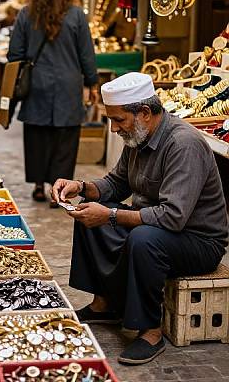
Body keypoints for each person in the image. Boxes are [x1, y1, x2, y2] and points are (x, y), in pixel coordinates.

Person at [52, 72, 228, 365]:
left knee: (142, 238)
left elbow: (172, 218)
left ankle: (150, 332)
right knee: (89, 208)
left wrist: (110, 215)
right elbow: (115, 183)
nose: (113, 129)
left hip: (198, 241)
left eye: (118, 120)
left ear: (144, 113)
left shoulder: (183, 144)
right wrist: (81, 187)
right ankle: (104, 304)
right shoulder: (138, 137)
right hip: (161, 229)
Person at [8, 0, 98, 203]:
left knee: (37, 136)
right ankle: (59, 190)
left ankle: (38, 185)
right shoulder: (77, 15)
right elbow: (86, 54)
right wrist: (93, 83)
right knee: (65, 139)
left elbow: (14, 54)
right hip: (68, 85)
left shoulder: (26, 14)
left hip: (36, 84)